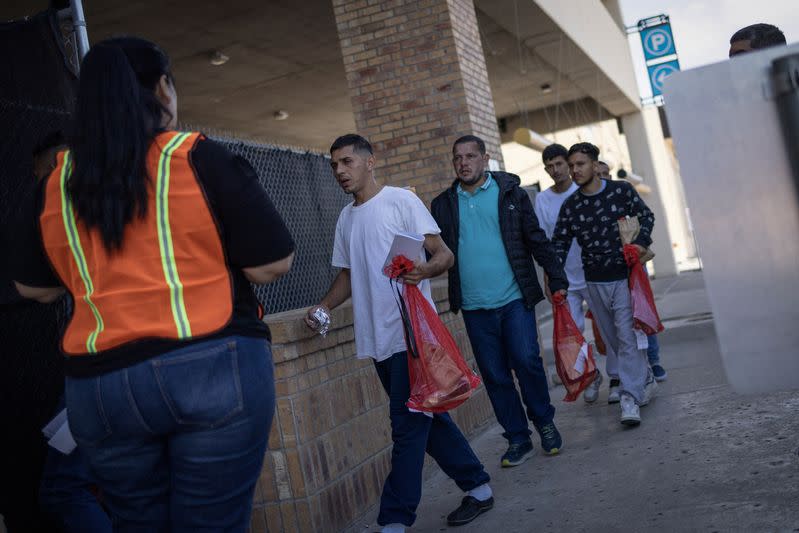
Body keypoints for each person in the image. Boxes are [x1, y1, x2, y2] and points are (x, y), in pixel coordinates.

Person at [10, 37, 295, 532]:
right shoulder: (194, 156)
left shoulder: (56, 181)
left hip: (101, 390)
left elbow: (33, 288)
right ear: (163, 87)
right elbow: (272, 264)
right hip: (213, 366)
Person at [306, 134, 493, 533]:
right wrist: (323, 306)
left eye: (347, 162)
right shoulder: (346, 218)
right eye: (334, 164)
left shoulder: (400, 201)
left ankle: (394, 518)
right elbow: (348, 277)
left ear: (369, 161)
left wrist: (423, 270)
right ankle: (478, 487)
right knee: (426, 419)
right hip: (376, 342)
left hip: (410, 339)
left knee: (406, 426)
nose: (340, 170)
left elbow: (443, 254)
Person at [431, 135, 567, 468]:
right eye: (457, 157)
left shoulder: (511, 194)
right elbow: (432, 249)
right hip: (475, 306)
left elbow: (535, 238)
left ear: (485, 158)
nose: (464, 163)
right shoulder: (443, 204)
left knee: (527, 360)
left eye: (470, 156)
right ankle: (518, 437)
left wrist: (557, 277)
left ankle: (544, 421)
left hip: (514, 298)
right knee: (495, 374)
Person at [28, 132, 112, 533]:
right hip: (151, 368)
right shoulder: (128, 204)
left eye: (46, 173)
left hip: (99, 369)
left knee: (64, 488)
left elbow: (36, 289)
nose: (41, 185)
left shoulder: (68, 216)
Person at [552, 142, 657, 426]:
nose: (574, 170)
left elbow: (646, 216)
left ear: (596, 166)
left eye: (580, 164)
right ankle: (644, 377)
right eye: (571, 165)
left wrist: (638, 244)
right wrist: (556, 280)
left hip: (624, 278)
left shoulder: (621, 191)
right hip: (593, 281)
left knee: (625, 337)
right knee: (612, 340)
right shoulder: (571, 206)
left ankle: (629, 398)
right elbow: (559, 243)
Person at [534, 143, 604, 404]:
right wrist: (548, 277)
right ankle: (590, 375)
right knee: (572, 334)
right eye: (550, 166)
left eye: (560, 164)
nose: (556, 170)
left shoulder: (581, 191)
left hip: (593, 272)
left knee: (606, 329)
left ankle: (620, 376)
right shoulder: (542, 199)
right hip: (564, 279)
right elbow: (544, 243)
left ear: (569, 163)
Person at [596, 160, 667, 383]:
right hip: (607, 273)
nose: (604, 178)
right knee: (619, 325)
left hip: (633, 265)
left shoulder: (621, 192)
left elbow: (645, 216)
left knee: (643, 311)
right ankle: (630, 370)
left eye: (606, 173)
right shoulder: (586, 203)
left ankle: (653, 361)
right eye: (599, 174)